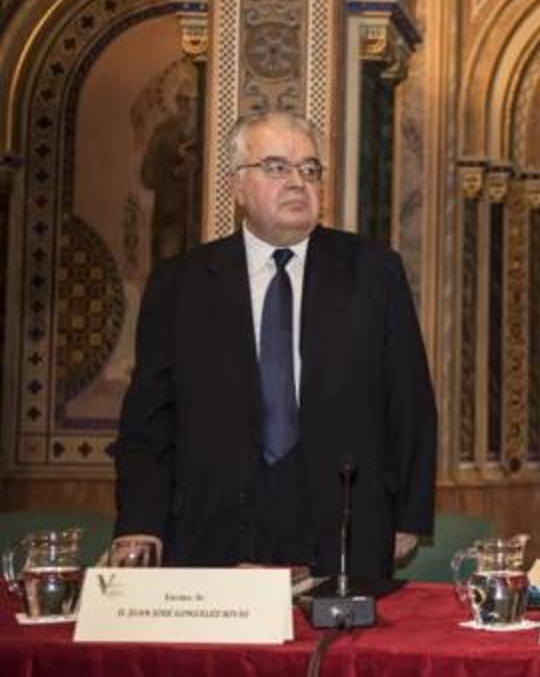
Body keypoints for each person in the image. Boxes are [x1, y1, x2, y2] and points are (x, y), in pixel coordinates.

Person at [108, 110, 437, 576]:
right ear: (237, 186)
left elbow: (409, 400)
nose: (298, 182)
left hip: (343, 525)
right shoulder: (180, 284)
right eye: (277, 167)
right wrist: (139, 521)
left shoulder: (373, 271)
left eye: (310, 169)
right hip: (213, 529)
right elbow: (148, 418)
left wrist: (407, 513)